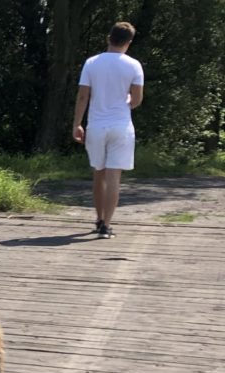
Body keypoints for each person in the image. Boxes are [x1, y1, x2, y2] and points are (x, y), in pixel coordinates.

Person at [72, 21, 144, 239]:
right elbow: (137, 100)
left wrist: (77, 123)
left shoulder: (91, 63)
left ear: (108, 38)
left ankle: (98, 218)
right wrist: (127, 101)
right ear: (128, 42)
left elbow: (83, 96)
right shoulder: (134, 65)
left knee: (98, 175)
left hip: (96, 125)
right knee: (114, 177)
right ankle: (107, 226)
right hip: (121, 126)